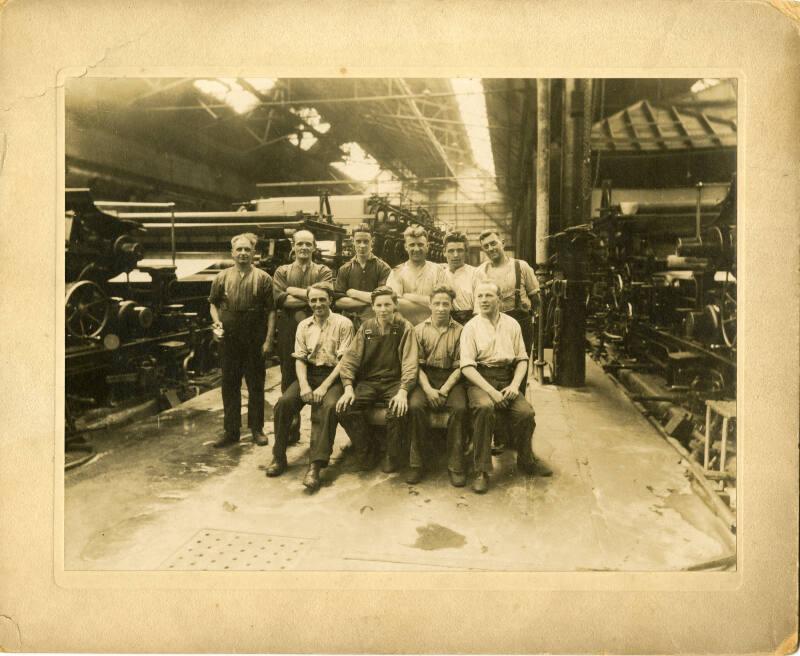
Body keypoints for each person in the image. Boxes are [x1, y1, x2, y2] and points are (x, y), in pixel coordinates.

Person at [460, 281, 552, 494]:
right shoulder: (471, 328)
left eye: (488, 296)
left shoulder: (512, 324)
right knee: (484, 409)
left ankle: (526, 459)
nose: (483, 300)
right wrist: (490, 392)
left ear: (499, 300)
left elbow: (521, 359)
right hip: (480, 380)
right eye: (480, 296)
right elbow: (466, 367)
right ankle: (481, 470)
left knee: (526, 413)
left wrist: (513, 385)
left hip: (506, 379)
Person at [267, 283, 354, 492]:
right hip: (310, 374)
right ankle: (278, 456)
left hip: (334, 377)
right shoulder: (303, 325)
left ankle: (315, 466)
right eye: (313, 300)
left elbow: (344, 363)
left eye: (322, 299)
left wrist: (323, 388)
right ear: (308, 302)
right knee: (284, 403)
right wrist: (304, 385)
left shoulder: (344, 323)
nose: (318, 304)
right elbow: (300, 359)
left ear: (330, 300)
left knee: (327, 408)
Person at [336, 286, 418, 474]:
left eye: (387, 304)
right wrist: (348, 387)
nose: (383, 309)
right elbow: (351, 359)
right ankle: (367, 450)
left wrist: (404, 390)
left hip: (395, 381)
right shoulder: (366, 328)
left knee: (397, 410)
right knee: (345, 408)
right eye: (379, 305)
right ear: (373, 307)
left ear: (395, 305)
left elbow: (410, 363)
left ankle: (392, 454)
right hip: (370, 382)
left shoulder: (405, 327)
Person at [208, 233, 276, 448]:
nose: (243, 253)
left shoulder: (264, 278)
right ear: (232, 253)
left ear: (254, 253)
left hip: (254, 337)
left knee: (256, 384)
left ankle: (257, 429)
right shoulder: (221, 277)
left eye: (247, 249)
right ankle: (231, 431)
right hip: (229, 338)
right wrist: (217, 322)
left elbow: (272, 311)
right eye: (239, 250)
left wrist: (268, 341)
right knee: (229, 385)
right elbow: (213, 304)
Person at [272, 230, 334, 444]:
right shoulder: (282, 271)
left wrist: (292, 290)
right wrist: (311, 297)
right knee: (290, 377)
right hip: (290, 329)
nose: (304, 248)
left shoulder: (323, 270)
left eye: (308, 244)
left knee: (318, 372)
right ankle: (291, 429)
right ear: (294, 245)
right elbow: (281, 300)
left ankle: (317, 436)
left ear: (314, 247)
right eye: (300, 244)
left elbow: (326, 293)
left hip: (320, 327)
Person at [407, 285, 468, 486]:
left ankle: (455, 465)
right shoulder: (418, 330)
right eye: (437, 304)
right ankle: (417, 463)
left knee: (460, 408)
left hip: (452, 377)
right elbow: (416, 365)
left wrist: (444, 390)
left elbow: (462, 366)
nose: (441, 308)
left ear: (452, 306)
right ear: (430, 305)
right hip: (426, 377)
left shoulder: (461, 331)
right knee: (415, 406)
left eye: (445, 304)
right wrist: (428, 390)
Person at [476, 229, 540, 356]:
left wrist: (535, 326)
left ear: (503, 243)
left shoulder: (521, 266)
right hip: (494, 323)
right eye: (486, 246)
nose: (490, 248)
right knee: (498, 363)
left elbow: (536, 299)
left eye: (493, 243)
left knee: (521, 361)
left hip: (521, 322)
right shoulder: (482, 272)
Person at [386, 225, 446, 326]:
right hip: (405, 327)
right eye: (412, 245)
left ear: (427, 246)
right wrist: (429, 304)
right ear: (406, 247)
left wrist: (407, 296)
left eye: (420, 244)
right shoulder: (397, 272)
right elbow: (394, 304)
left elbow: (441, 302)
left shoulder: (438, 271)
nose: (416, 249)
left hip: (433, 327)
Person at [334, 223, 392, 328]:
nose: (362, 245)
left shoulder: (383, 268)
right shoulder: (344, 269)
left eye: (366, 242)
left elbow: (383, 299)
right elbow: (338, 302)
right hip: (348, 323)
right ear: (352, 241)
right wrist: (369, 302)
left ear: (372, 241)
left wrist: (352, 293)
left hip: (375, 323)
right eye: (358, 241)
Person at [440, 231, 485, 325]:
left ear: (466, 252)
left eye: (460, 250)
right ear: (444, 252)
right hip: (445, 323)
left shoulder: (476, 273)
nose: (455, 255)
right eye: (451, 251)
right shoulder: (440, 274)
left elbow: (479, 307)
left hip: (470, 322)